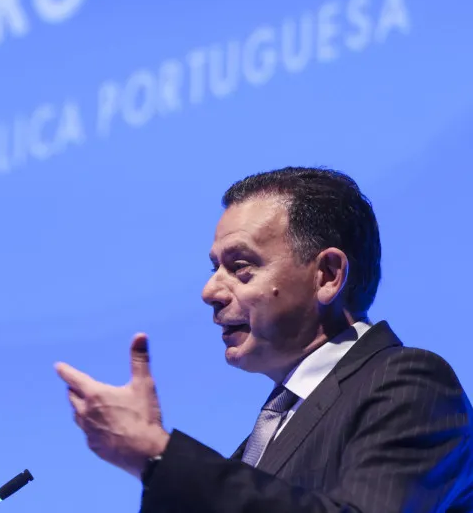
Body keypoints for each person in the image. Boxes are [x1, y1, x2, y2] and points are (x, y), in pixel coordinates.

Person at [55, 167, 473, 512]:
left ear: (327, 276)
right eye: (215, 268)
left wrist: (158, 452)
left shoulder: (409, 383)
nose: (210, 291)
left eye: (240, 267)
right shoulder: (269, 429)